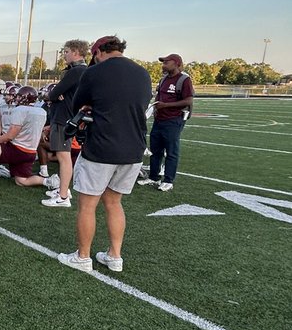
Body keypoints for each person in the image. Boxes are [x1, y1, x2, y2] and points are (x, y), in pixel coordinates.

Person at [57, 35, 152, 274]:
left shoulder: (95, 72)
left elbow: (79, 103)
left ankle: (83, 256)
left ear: (98, 52)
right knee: (114, 203)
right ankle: (115, 255)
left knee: (88, 205)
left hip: (102, 146)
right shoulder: (143, 73)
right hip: (134, 148)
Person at [39, 39, 89, 207]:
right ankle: (63, 189)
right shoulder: (80, 70)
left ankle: (63, 197)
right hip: (64, 116)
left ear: (76, 52)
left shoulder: (77, 71)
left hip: (64, 118)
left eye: (67, 51)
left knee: (63, 156)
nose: (64, 55)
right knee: (63, 156)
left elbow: (54, 94)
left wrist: (54, 94)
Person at [139, 53, 194, 192]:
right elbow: (159, 95)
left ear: (176, 63)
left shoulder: (184, 80)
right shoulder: (164, 79)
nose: (163, 65)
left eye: (166, 62)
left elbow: (188, 101)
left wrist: (166, 106)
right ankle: (154, 177)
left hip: (174, 119)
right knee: (155, 150)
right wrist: (157, 105)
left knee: (171, 151)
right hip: (160, 119)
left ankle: (168, 180)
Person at [0, 86, 48, 187]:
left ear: (25, 98)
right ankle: (51, 182)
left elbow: (10, 136)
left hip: (18, 150)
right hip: (31, 152)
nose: (16, 98)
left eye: (19, 96)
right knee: (21, 181)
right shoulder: (41, 112)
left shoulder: (20, 110)